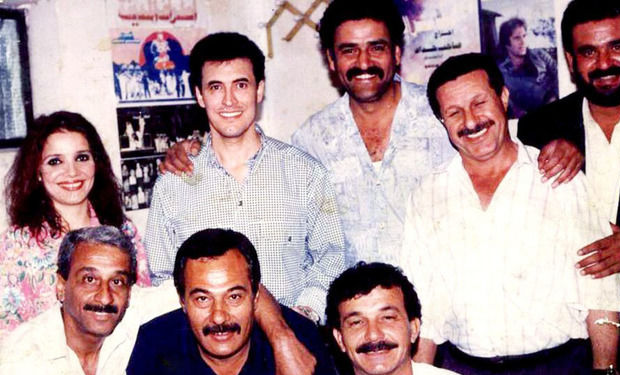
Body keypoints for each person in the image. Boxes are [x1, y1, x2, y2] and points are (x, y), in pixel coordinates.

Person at [160, 0, 582, 268]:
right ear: (331, 60)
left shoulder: (443, 114)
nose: (364, 62)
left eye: (376, 47)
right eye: (349, 50)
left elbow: (504, 154)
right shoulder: (311, 140)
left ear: (397, 52)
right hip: (354, 332)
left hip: (448, 320)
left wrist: (564, 148)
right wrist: (192, 149)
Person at [402, 53, 620, 375]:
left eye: (479, 103)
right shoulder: (428, 195)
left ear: (503, 97)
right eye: (454, 113)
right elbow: (426, 307)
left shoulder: (559, 178)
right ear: (442, 121)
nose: (470, 121)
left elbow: (600, 290)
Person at [144, 32, 344, 324]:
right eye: (215, 87)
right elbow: (163, 277)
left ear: (259, 90)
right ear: (199, 95)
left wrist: (302, 318)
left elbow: (331, 257)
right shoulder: (173, 184)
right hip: (208, 341)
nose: (229, 100)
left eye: (240, 85)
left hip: (294, 336)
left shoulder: (305, 173)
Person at [518, 1, 620, 375]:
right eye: (588, 51)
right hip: (570, 364)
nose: (603, 63)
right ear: (570, 61)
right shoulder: (539, 130)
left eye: (617, 46)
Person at [127, 228, 337, 375]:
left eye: (234, 297)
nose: (219, 316)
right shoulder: (154, 347)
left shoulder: (301, 343)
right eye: (202, 299)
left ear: (256, 297)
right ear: (183, 301)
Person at [0, 111, 151, 338]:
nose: (72, 172)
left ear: (96, 163)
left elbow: (142, 310)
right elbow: (6, 335)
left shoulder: (124, 231)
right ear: (38, 172)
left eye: (81, 158)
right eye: (55, 161)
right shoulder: (16, 245)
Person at [0, 226, 178, 375]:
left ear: (129, 293)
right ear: (61, 286)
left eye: (117, 281)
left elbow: (188, 290)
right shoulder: (19, 359)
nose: (105, 298)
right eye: (90, 279)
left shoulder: (129, 315)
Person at [298, 262, 496, 375]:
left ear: (414, 329)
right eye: (357, 322)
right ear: (340, 339)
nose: (373, 334)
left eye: (388, 318)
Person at [497, 17, 558, 118]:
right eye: (517, 38)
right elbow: (508, 103)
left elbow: (560, 76)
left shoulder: (541, 55)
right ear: (506, 43)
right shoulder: (502, 72)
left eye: (524, 36)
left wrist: (554, 96)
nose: (523, 41)